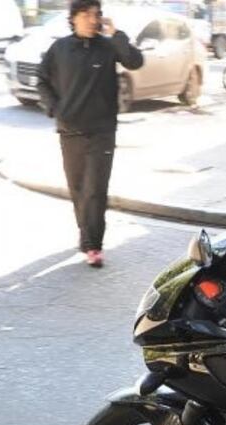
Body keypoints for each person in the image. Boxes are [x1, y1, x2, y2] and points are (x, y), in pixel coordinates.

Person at [37, 0, 143, 267]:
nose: (92, 19)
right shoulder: (59, 49)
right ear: (73, 18)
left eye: (96, 14)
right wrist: (55, 108)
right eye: (86, 14)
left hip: (102, 132)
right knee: (78, 189)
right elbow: (41, 79)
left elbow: (134, 61)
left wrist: (115, 34)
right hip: (69, 131)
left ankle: (94, 246)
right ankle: (86, 236)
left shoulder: (108, 46)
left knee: (95, 189)